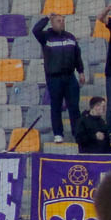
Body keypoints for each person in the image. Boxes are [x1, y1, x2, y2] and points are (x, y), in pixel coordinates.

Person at [34, 12, 86, 144]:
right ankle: (58, 133)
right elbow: (35, 30)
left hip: (70, 77)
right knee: (56, 106)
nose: (61, 23)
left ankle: (77, 133)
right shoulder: (46, 37)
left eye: (63, 20)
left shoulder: (70, 37)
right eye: (58, 21)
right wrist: (46, 18)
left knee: (74, 106)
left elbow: (77, 55)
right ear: (52, 23)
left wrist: (81, 71)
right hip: (54, 78)